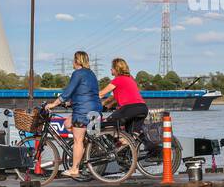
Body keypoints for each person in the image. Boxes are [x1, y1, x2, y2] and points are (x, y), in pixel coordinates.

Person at [44, 50, 101, 178]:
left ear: (77, 61)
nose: (72, 63)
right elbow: (85, 91)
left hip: (82, 110)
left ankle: (75, 168)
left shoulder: (77, 73)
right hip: (95, 109)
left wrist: (53, 104)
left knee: (77, 140)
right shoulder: (91, 74)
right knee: (67, 124)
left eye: (73, 60)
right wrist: (71, 103)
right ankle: (85, 154)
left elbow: (67, 92)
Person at [100, 58, 148, 135]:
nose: (110, 69)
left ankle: (112, 145)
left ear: (116, 69)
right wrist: (107, 106)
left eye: (112, 67)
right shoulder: (130, 79)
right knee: (131, 135)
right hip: (143, 108)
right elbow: (115, 98)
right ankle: (126, 145)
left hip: (129, 109)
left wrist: (88, 101)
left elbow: (101, 94)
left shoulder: (117, 79)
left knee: (106, 125)